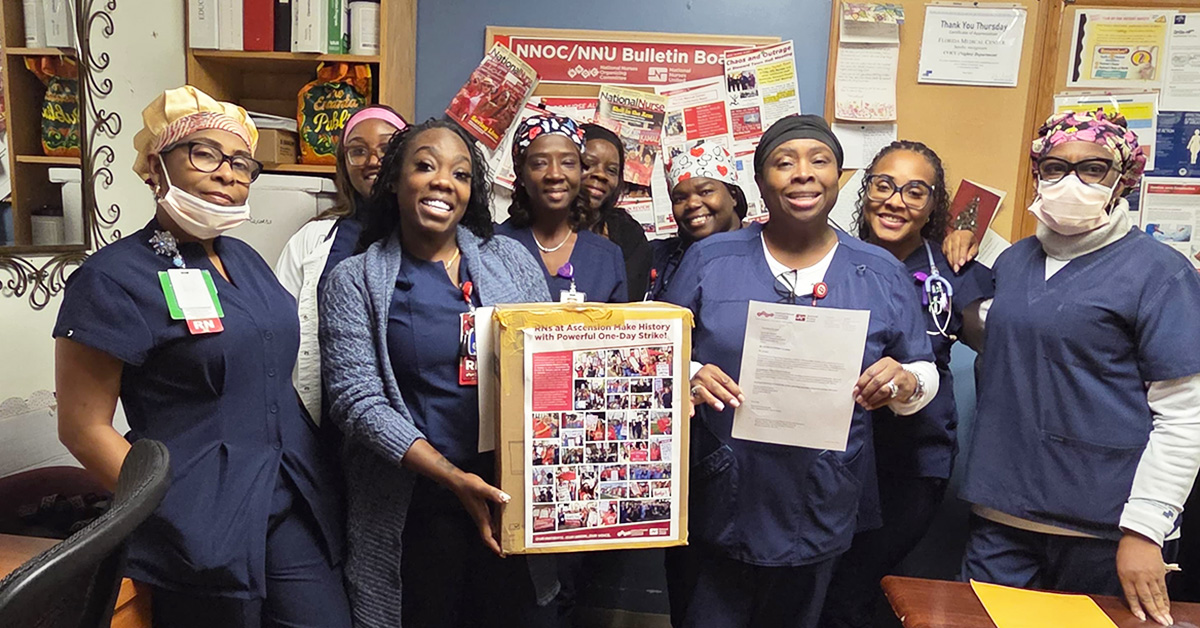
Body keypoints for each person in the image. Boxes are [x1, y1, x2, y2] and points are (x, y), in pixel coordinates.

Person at [52, 86, 351, 627]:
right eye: (204, 154)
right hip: (198, 519)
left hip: (290, 500)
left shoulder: (248, 261)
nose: (227, 173)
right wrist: (169, 508)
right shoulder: (112, 278)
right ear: (153, 167)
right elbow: (81, 427)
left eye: (240, 162)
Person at [662, 114, 938, 628]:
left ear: (839, 177)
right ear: (762, 180)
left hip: (822, 493)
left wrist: (904, 382)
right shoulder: (709, 259)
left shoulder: (879, 271)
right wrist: (693, 371)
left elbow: (923, 368)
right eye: (784, 163)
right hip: (723, 488)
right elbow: (661, 352)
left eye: (820, 161)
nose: (803, 174)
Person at [959, 110, 1200, 626]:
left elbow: (1184, 417)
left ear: (1122, 181)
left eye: (1092, 168)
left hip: (1107, 531)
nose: (1071, 181)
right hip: (1003, 517)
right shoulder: (1014, 262)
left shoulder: (1161, 274)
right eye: (1054, 167)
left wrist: (1144, 531)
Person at [320, 118, 558, 628]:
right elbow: (355, 401)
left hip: (506, 494)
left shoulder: (510, 259)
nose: (443, 181)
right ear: (394, 180)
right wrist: (453, 478)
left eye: (461, 173)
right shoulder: (354, 279)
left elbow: (555, 354)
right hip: (417, 502)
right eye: (425, 165)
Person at [820, 140, 994, 627]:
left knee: (854, 586)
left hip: (912, 463)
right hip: (826, 454)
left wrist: (968, 232)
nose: (896, 201)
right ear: (865, 190)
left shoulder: (954, 271)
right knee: (813, 585)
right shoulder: (827, 257)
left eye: (916, 192)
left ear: (934, 204)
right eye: (884, 185)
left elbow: (1017, 322)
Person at [276, 105, 408, 426]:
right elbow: (278, 335)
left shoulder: (432, 236)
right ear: (343, 164)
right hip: (328, 425)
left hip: (414, 423)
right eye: (357, 151)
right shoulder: (313, 240)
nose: (373, 160)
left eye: (387, 148)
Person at [496, 114, 627, 303]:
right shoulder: (492, 247)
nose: (555, 174)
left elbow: (617, 330)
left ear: (580, 172)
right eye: (540, 163)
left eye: (568, 163)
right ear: (521, 174)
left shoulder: (606, 257)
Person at [649, 141, 747, 300]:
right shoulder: (659, 255)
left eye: (706, 191)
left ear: (733, 196)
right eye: (679, 198)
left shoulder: (764, 248)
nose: (692, 204)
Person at [578, 122, 653, 300]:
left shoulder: (628, 235)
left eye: (611, 170)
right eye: (588, 164)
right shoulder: (545, 230)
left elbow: (629, 306)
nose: (601, 175)